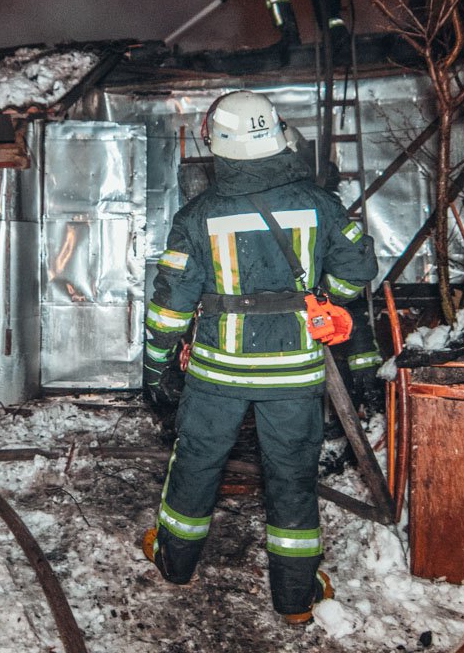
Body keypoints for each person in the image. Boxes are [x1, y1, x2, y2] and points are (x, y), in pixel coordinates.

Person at [141, 90, 378, 624]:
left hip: (216, 373)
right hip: (294, 371)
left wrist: (156, 363)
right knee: (292, 476)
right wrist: (324, 299)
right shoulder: (320, 204)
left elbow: (172, 303)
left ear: (217, 143)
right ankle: (295, 600)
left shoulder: (197, 215)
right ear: (276, 133)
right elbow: (354, 272)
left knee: (196, 465)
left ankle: (175, 564)